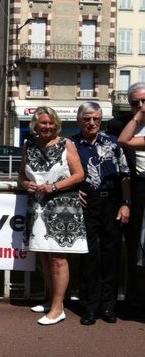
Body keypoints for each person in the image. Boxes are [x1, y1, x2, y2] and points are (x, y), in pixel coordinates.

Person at [18, 106, 87, 326]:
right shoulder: (28, 146)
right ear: (35, 125)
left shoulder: (67, 144)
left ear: (56, 124)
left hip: (62, 207)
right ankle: (51, 300)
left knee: (58, 258)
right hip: (37, 206)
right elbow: (21, 174)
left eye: (50, 123)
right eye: (43, 123)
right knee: (44, 257)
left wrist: (54, 187)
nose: (47, 126)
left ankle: (59, 308)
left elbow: (79, 175)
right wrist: (25, 183)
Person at [72, 102, 131, 326]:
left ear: (101, 120)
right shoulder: (71, 145)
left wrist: (126, 204)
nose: (91, 122)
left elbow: (125, 175)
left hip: (112, 202)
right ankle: (89, 307)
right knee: (89, 257)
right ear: (79, 120)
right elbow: (64, 173)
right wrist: (72, 190)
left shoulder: (113, 143)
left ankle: (108, 305)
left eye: (96, 118)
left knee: (111, 255)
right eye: (87, 118)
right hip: (86, 203)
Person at [117, 81, 145, 315]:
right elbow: (122, 142)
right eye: (135, 102)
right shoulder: (120, 125)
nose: (141, 105)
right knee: (134, 243)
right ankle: (134, 298)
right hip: (136, 188)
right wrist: (137, 119)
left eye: (144, 101)